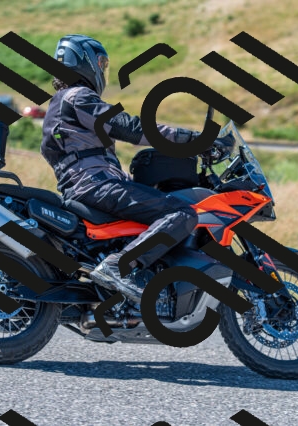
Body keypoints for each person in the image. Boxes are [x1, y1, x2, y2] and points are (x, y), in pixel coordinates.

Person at [40, 34, 228, 303]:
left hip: (86, 186)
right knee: (181, 213)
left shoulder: (59, 104)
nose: (103, 70)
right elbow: (129, 128)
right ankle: (120, 266)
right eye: (101, 64)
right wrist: (191, 139)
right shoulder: (78, 97)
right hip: (97, 186)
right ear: (84, 63)